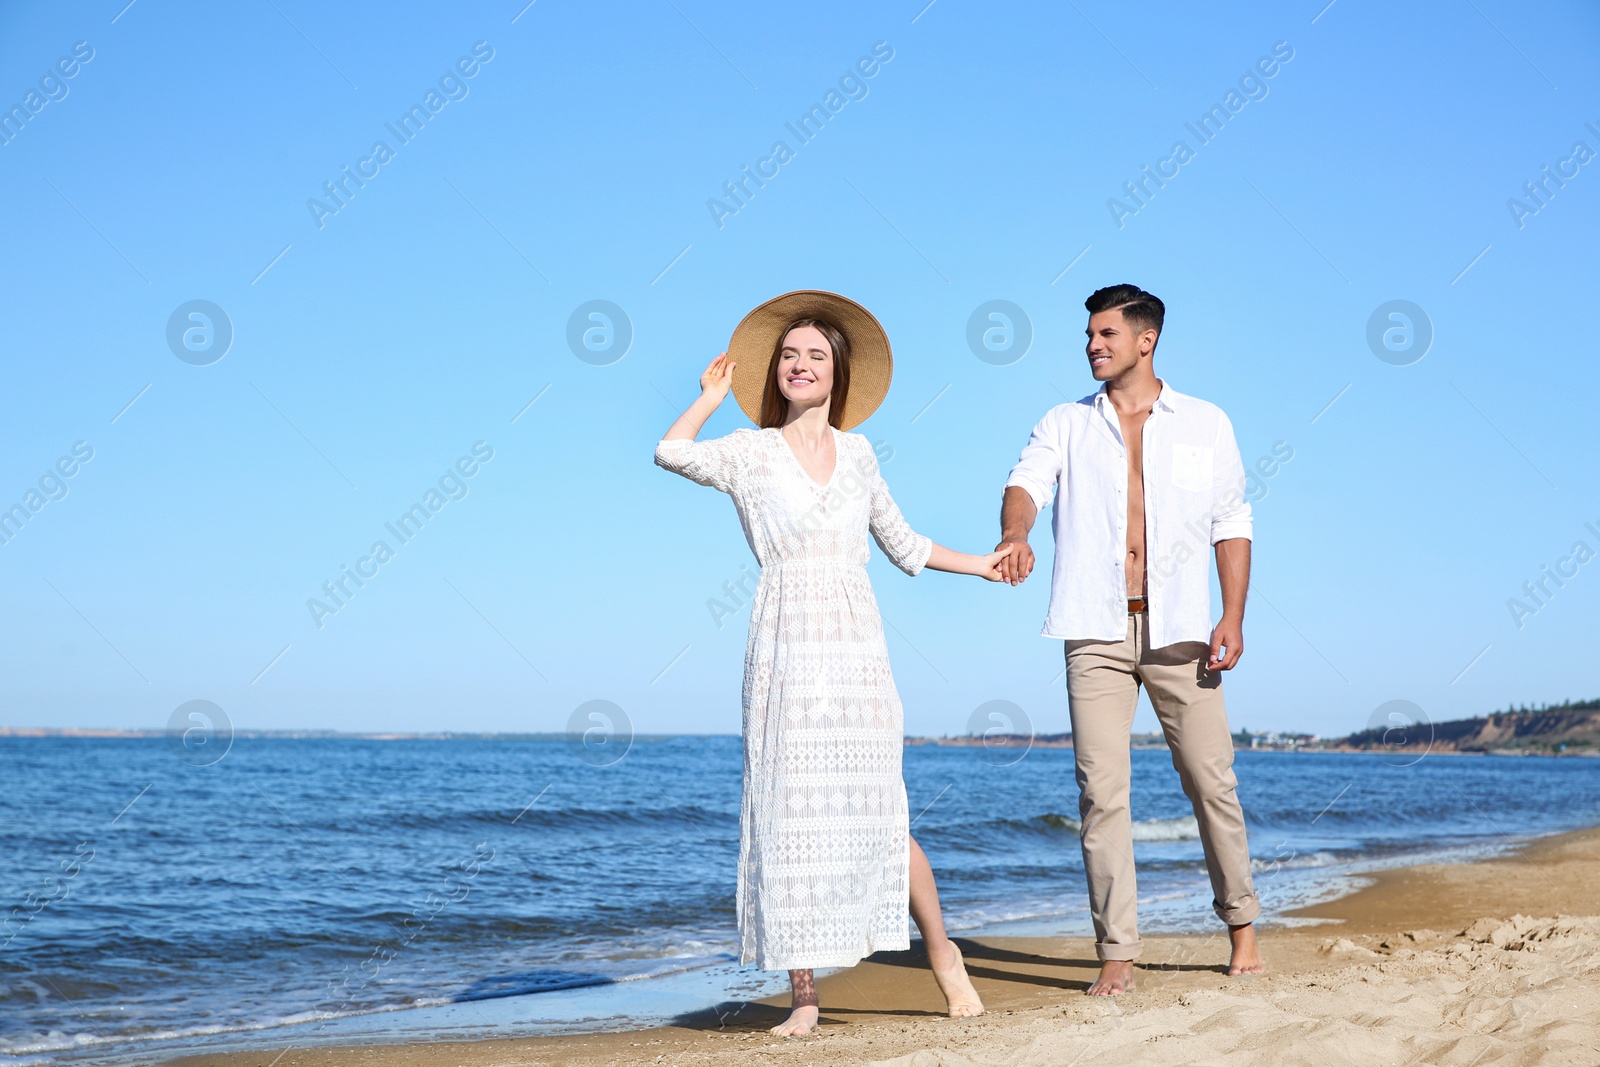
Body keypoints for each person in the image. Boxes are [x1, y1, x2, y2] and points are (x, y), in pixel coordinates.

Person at [655, 290, 1003, 1036]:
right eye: (789, 355)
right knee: (790, 815)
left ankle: (945, 958)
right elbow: (670, 450)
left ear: (838, 373)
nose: (801, 364)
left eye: (816, 355)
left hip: (857, 653)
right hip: (784, 647)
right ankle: (804, 997)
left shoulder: (861, 454)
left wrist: (983, 564)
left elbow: (905, 545)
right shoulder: (749, 453)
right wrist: (712, 396)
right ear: (774, 372)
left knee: (882, 811)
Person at [997, 283, 1266, 995]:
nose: (1093, 345)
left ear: (1145, 340)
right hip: (1094, 626)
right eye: (1089, 334)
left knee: (1212, 780)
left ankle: (1241, 926)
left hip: (1181, 628)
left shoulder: (1206, 422)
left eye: (1106, 334)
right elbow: (1025, 482)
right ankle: (1117, 951)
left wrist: (1232, 615)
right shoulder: (1065, 422)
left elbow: (1230, 521)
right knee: (1101, 791)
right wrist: (1016, 533)